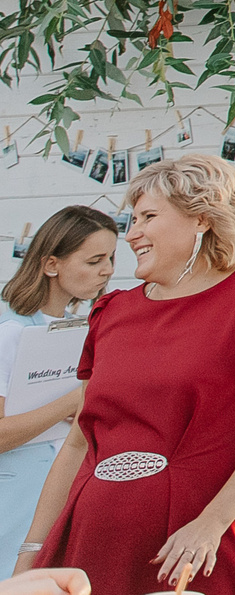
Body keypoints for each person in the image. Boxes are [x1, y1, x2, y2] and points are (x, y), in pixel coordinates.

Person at [16, 156, 235, 595]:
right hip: (93, 541)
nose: (132, 234)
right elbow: (80, 440)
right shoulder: (111, 311)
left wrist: (210, 524)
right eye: (131, 219)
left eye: (148, 217)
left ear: (202, 219)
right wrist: (31, 556)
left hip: (194, 545)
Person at [0, 212, 117, 555]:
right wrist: (74, 400)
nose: (107, 270)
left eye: (111, 258)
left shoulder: (83, 328)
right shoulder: (10, 331)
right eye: (95, 260)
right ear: (51, 264)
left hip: (70, 495)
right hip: (14, 503)